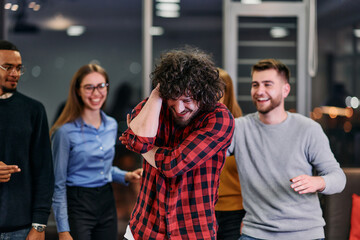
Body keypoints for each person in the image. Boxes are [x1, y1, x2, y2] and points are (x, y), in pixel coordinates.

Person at [120, 47, 235, 240]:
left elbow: (174, 165)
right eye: (173, 98)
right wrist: (157, 92)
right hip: (144, 230)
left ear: (203, 94)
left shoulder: (219, 118)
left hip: (193, 232)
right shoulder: (156, 106)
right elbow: (138, 143)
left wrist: (148, 149)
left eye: (187, 100)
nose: (179, 108)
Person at [227, 59, 346, 240]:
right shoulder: (238, 129)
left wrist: (318, 182)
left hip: (305, 234)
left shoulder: (308, 129)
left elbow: (339, 178)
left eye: (268, 84)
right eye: (255, 85)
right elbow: (207, 155)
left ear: (285, 90)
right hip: (255, 233)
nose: (259, 91)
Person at [50, 64, 143, 240]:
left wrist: (126, 176)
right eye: (89, 87)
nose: (96, 93)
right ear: (77, 91)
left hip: (106, 202)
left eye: (101, 86)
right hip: (78, 203)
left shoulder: (111, 125)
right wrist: (63, 230)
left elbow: (102, 169)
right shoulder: (64, 132)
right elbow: (58, 184)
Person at [0, 40, 54, 239]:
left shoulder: (33, 110)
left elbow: (44, 171)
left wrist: (39, 225)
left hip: (21, 229)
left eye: (18, 68)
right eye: (8, 67)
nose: (14, 73)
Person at [215, 68, 245, 240]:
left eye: (218, 90)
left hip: (236, 212)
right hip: (203, 210)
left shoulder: (240, 127)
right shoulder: (195, 129)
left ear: (227, 93)